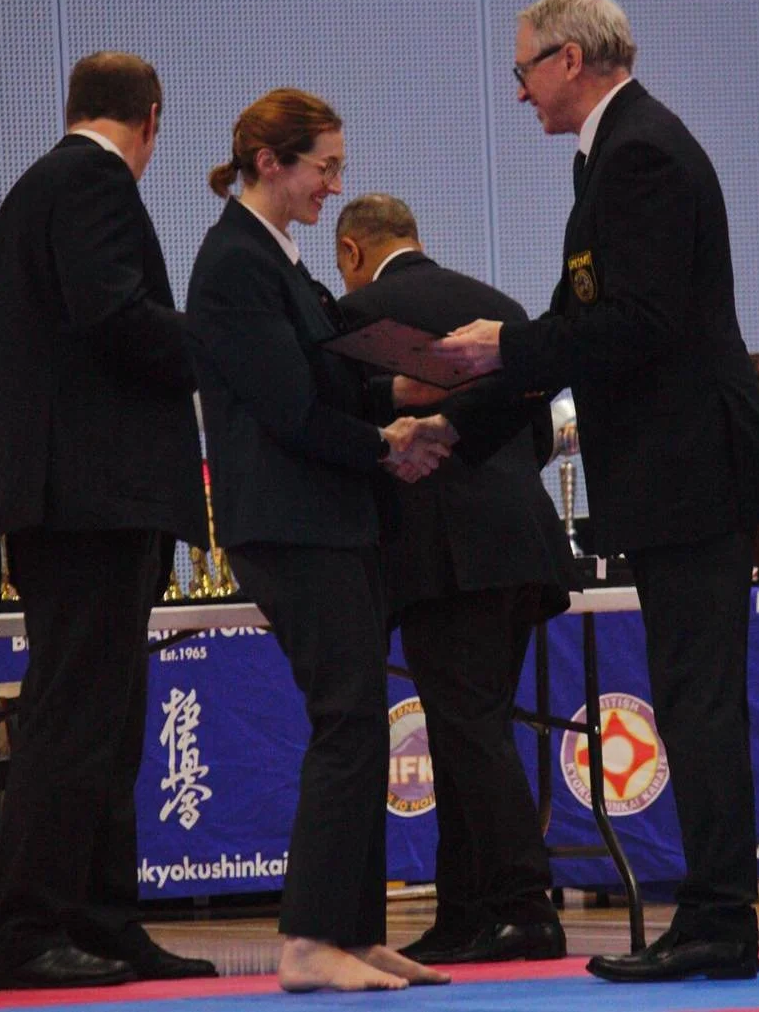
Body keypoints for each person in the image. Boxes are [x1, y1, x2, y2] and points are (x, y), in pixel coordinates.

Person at [432, 0, 759, 983]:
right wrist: (447, 428)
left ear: (568, 59)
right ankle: (715, 919)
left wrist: (503, 344)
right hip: (681, 480)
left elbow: (631, 325)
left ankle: (721, 922)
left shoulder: (639, 154)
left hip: (698, 478)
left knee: (700, 704)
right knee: (691, 702)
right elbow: (568, 333)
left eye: (521, 72)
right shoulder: (616, 155)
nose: (518, 96)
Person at [186, 90, 451, 993]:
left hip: (326, 519)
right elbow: (291, 411)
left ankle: (354, 928)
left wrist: (403, 401)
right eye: (323, 167)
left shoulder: (283, 262)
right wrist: (384, 442)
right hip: (290, 523)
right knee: (345, 718)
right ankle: (307, 939)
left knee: (359, 719)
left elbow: (332, 388)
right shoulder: (233, 265)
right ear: (270, 161)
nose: (336, 186)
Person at [0, 52, 217, 989]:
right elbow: (119, 316)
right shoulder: (93, 183)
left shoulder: (38, 192)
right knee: (77, 720)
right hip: (88, 499)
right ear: (151, 118)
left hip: (71, 497)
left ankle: (105, 921)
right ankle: (29, 930)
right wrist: (224, 344)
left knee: (105, 719)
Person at [335, 194, 578, 964]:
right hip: (524, 543)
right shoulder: (496, 305)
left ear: (351, 252)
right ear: (417, 237)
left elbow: (360, 433)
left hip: (443, 553)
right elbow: (536, 432)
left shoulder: (359, 313)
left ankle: (523, 905)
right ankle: (467, 910)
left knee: (466, 727)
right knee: (473, 722)